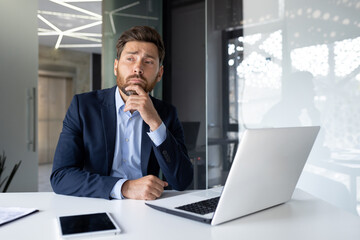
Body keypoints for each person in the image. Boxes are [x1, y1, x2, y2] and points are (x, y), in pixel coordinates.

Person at [50, 26, 193, 200]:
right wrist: (125, 187)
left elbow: (182, 181)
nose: (138, 68)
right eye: (130, 59)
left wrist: (155, 123)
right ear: (116, 67)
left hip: (147, 210)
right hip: (96, 205)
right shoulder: (83, 107)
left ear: (159, 73)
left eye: (148, 62)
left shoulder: (166, 114)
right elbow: (61, 176)